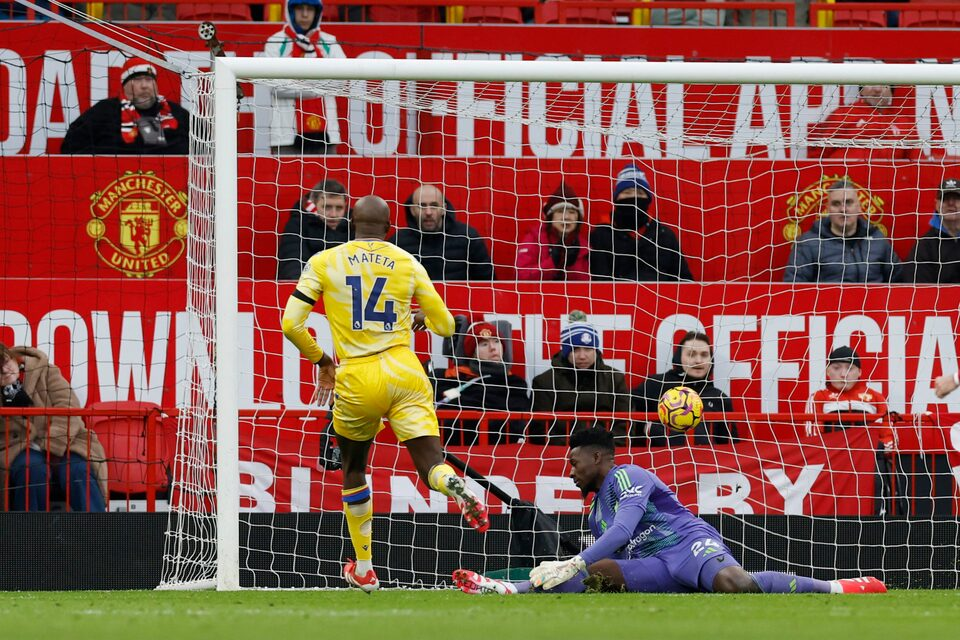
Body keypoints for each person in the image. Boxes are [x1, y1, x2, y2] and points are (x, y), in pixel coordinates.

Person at [280, 195, 489, 592]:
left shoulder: (325, 260)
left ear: (351, 222)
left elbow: (290, 323)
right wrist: (424, 318)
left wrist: (322, 360)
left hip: (357, 375)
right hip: (405, 369)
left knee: (354, 468)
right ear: (392, 226)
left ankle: (364, 567)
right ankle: (453, 485)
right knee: (430, 462)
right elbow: (447, 326)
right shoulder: (408, 262)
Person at [453, 426, 886, 595]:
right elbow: (614, 551)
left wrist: (575, 560)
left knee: (737, 586)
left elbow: (624, 530)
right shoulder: (592, 515)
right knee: (598, 576)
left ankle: (836, 587)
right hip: (656, 566)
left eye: (574, 461)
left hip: (686, 545)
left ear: (599, 458)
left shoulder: (627, 476)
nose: (570, 471)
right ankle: (504, 590)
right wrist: (583, 567)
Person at [0, 343, 107, 512]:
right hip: (20, 448)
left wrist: (53, 445)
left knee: (77, 471)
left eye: (6, 362)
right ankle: (30, 534)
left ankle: (98, 532)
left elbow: (69, 405)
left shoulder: (46, 371)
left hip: (67, 441)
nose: (5, 370)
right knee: (31, 470)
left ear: (12, 356)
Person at [530, 311, 631, 444]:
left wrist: (604, 447)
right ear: (565, 352)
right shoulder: (544, 382)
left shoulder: (615, 379)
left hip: (607, 453)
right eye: (575, 349)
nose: (582, 356)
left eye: (588, 349)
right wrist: (574, 446)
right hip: (560, 453)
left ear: (596, 350)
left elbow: (625, 426)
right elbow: (540, 430)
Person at [263, 0, 346, 154]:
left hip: (326, 136)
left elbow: (342, 82)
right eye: (300, 8)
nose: (305, 14)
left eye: (310, 9)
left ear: (317, 12)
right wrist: (320, 84)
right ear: (291, 11)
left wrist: (297, 82)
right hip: (285, 136)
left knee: (326, 179)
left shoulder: (329, 42)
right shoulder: (275, 42)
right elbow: (276, 87)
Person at [60, 57, 189, 155]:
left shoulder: (176, 113)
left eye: (149, 80)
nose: (145, 85)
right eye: (137, 80)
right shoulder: (103, 112)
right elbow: (71, 148)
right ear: (124, 85)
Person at [783, 179, 901, 283]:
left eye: (849, 202)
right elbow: (794, 288)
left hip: (874, 306)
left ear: (859, 207)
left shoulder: (877, 239)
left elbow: (899, 282)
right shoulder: (809, 243)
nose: (843, 209)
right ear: (828, 209)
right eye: (836, 204)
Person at [590, 164, 694, 282]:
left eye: (639, 193)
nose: (634, 197)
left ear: (648, 199)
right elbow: (598, 281)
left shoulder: (664, 235)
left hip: (661, 299)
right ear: (616, 198)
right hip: (615, 299)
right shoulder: (602, 234)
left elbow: (685, 280)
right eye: (627, 192)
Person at [434, 320, 531, 445]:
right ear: (473, 353)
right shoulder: (448, 380)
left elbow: (516, 427)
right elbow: (445, 425)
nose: (493, 348)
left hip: (503, 454)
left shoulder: (515, 384)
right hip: (456, 452)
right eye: (484, 344)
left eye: (496, 341)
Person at [633, 331, 736, 447]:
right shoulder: (656, 384)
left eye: (704, 355)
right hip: (660, 461)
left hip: (706, 463)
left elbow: (731, 445)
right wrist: (653, 430)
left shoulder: (719, 397)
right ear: (678, 357)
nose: (698, 360)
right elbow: (626, 413)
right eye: (691, 354)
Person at [391, 184, 495, 281]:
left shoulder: (468, 237)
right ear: (412, 210)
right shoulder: (397, 243)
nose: (428, 212)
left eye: (434, 205)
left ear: (444, 208)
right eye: (422, 206)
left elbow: (488, 282)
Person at [805, 346, 895, 452]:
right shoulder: (818, 397)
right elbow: (813, 440)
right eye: (837, 368)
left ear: (859, 372)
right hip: (833, 462)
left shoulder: (876, 398)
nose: (843, 374)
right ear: (828, 372)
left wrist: (875, 448)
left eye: (850, 368)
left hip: (869, 461)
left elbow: (891, 439)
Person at [807, 85, 920, 162]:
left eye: (883, 84)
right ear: (861, 89)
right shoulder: (842, 115)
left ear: (891, 90)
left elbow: (917, 163)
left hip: (890, 187)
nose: (877, 89)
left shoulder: (905, 124)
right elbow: (817, 156)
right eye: (871, 83)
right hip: (847, 188)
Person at [277, 179, 351, 279]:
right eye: (327, 207)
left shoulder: (354, 225)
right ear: (314, 205)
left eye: (339, 208)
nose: (333, 214)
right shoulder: (298, 224)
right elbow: (292, 263)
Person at [516, 183, 590, 281]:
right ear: (550, 217)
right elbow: (521, 277)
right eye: (560, 211)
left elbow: (586, 286)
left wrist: (570, 265)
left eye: (572, 212)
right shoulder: (534, 238)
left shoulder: (584, 245)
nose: (566, 217)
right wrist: (552, 262)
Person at [903, 178, 960, 284]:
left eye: (956, 198)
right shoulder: (924, 247)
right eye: (945, 198)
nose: (951, 203)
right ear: (937, 205)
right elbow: (920, 290)